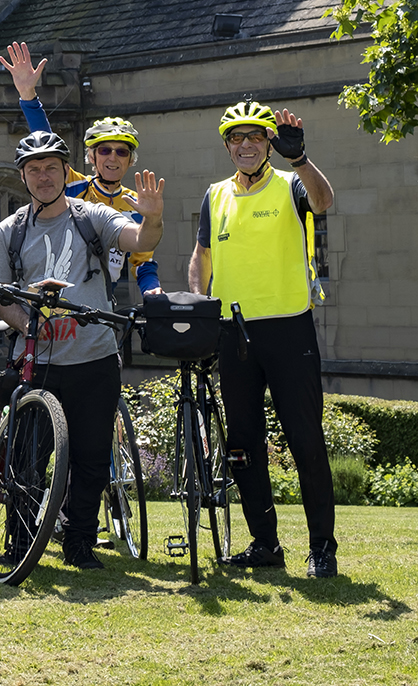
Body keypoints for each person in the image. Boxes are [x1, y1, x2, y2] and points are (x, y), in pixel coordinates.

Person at [0, 131, 164, 569]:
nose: (43, 177)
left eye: (52, 168)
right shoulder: (9, 231)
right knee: (26, 458)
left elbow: (140, 241)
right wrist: (30, 327)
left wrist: (153, 218)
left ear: (65, 171)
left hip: (94, 357)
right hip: (38, 363)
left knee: (89, 456)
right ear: (23, 176)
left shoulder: (93, 217)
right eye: (34, 169)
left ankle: (80, 542)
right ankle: (21, 541)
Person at [187, 101, 338, 578]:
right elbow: (200, 259)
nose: (246, 144)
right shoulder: (215, 195)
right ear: (227, 144)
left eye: (255, 136)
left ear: (269, 142)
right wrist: (200, 305)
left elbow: (324, 201)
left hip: (289, 328)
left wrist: (300, 158)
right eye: (236, 137)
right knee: (243, 446)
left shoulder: (292, 182)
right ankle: (265, 545)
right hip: (234, 334)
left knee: (306, 440)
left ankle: (322, 549)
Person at [0, 41, 163, 300]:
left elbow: (142, 261)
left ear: (131, 160)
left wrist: (152, 290)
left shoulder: (137, 203)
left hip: (102, 296)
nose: (112, 157)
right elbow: (46, 142)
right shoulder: (73, 184)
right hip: (56, 287)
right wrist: (28, 94)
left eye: (122, 151)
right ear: (91, 156)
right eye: (104, 150)